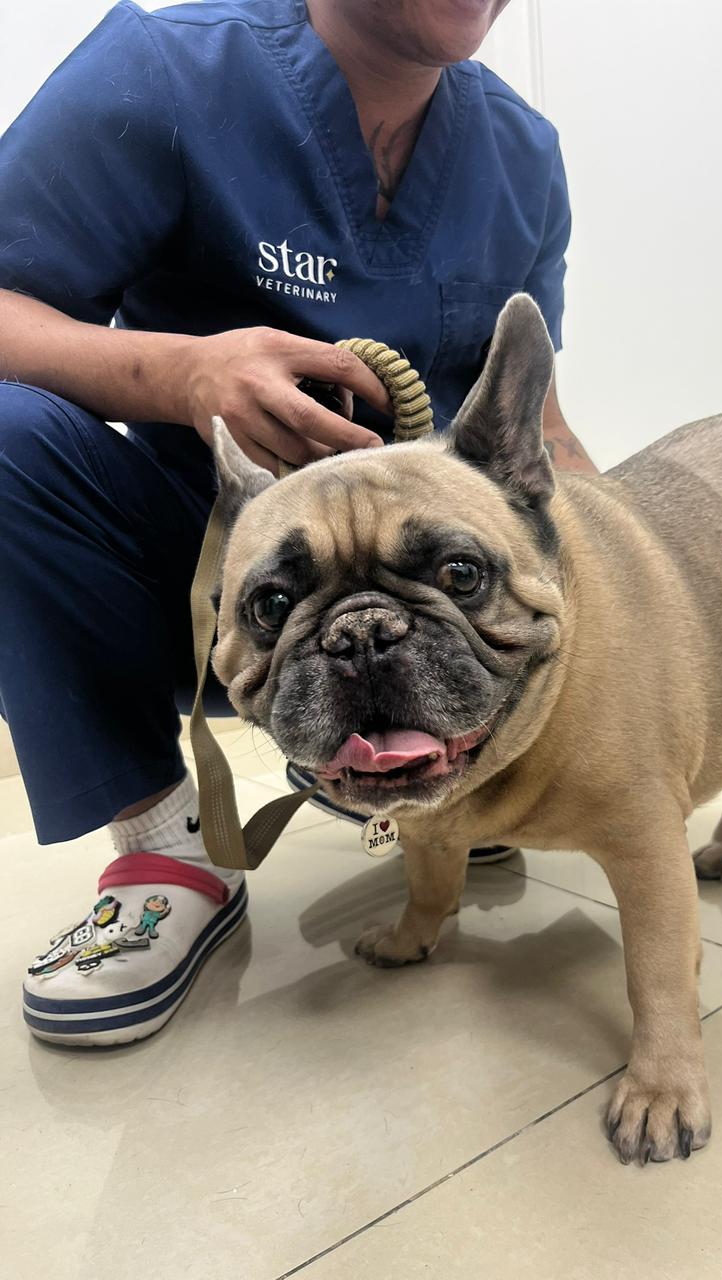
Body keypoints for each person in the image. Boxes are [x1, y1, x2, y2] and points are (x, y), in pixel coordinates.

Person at [0, 0, 595, 1048]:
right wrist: (180, 372)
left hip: (440, 594)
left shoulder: (522, 157)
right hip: (219, 583)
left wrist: (676, 575)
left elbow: (540, 429)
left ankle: (454, 764)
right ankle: (167, 846)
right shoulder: (165, 74)